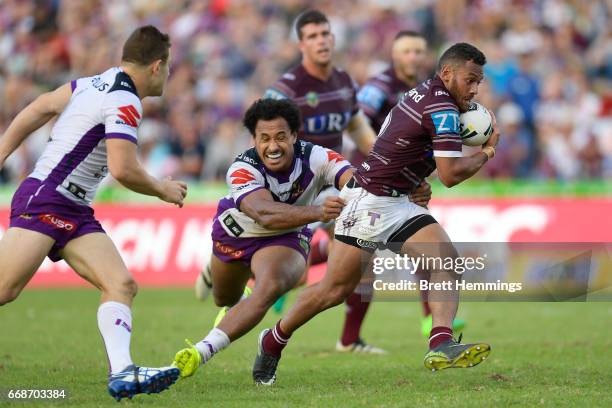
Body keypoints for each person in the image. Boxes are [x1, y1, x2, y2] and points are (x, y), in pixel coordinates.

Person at [253, 42, 500, 385]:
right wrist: (487, 151)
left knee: (445, 260)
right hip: (368, 201)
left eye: (479, 82)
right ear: (447, 74)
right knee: (333, 291)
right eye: (469, 80)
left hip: (398, 201)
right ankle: (273, 340)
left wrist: (415, 179)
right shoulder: (441, 106)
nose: (474, 90)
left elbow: (408, 144)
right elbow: (451, 174)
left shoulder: (427, 93)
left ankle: (441, 343)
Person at [0, 26, 187, 401]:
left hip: (74, 208)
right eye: (168, 67)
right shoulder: (126, 101)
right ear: (156, 66)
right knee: (4, 288)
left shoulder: (93, 82)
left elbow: (39, 107)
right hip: (47, 200)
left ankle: (122, 374)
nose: (168, 75)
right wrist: (163, 188)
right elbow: (123, 169)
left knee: (121, 284)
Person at [173, 98, 360, 378]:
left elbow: (357, 182)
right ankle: (216, 271)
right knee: (224, 298)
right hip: (237, 233)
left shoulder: (318, 157)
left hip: (286, 236)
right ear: (254, 140)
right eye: (265, 139)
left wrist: (402, 191)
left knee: (271, 285)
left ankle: (201, 351)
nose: (273, 147)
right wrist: (319, 211)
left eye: (281, 137)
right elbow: (265, 214)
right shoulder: (242, 169)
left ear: (295, 136)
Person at [264, 9, 383, 354]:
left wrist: (382, 159)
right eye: (313, 36)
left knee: (362, 255)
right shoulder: (285, 90)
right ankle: (239, 274)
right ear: (300, 44)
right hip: (293, 188)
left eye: (325, 33)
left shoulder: (344, 82)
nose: (321, 40)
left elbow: (359, 130)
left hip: (332, 183)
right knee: (291, 270)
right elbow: (264, 146)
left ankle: (349, 340)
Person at [357, 31, 465, 338]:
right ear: (394, 55)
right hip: (368, 178)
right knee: (353, 266)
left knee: (430, 249)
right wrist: (385, 158)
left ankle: (432, 320)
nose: (413, 57)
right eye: (407, 51)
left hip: (403, 182)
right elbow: (357, 122)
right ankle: (286, 273)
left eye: (418, 51)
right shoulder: (380, 86)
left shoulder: (427, 90)